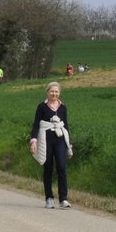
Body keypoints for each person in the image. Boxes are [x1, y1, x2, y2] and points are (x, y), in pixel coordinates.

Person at [29, 81, 73, 209]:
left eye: (56, 91)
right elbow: (36, 124)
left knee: (61, 167)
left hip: (60, 139)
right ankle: (49, 198)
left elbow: (66, 125)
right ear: (47, 92)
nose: (54, 94)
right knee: (48, 168)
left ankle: (63, 199)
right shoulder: (42, 107)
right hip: (45, 139)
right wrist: (33, 141)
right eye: (52, 91)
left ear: (59, 93)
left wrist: (69, 144)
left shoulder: (63, 107)